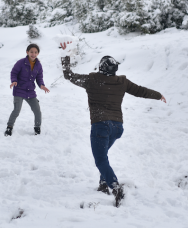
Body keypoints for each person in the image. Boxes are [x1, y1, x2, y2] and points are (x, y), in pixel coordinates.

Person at [59, 41, 166, 208]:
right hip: (117, 127)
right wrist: (158, 95)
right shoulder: (122, 82)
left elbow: (69, 76)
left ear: (101, 67)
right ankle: (103, 185)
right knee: (104, 157)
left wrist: (65, 58)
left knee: (100, 160)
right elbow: (140, 91)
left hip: (101, 125)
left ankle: (116, 189)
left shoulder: (91, 80)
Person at [4, 43, 50, 137]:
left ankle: (37, 128)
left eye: (35, 52)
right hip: (19, 90)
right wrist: (14, 81)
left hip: (30, 91)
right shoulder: (21, 62)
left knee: (37, 110)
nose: (33, 54)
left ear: (38, 53)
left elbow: (39, 78)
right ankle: (9, 127)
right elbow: (14, 73)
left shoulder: (38, 65)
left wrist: (42, 85)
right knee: (16, 110)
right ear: (27, 52)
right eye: (31, 52)